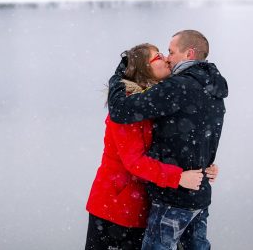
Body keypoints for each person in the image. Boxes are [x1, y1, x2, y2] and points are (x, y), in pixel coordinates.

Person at [86, 43, 219, 250]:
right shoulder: (130, 109)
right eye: (158, 56)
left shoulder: (158, 100)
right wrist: (178, 178)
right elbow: (134, 162)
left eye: (166, 53)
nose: (166, 58)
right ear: (143, 68)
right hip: (116, 208)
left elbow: (176, 142)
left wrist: (203, 166)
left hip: (144, 205)